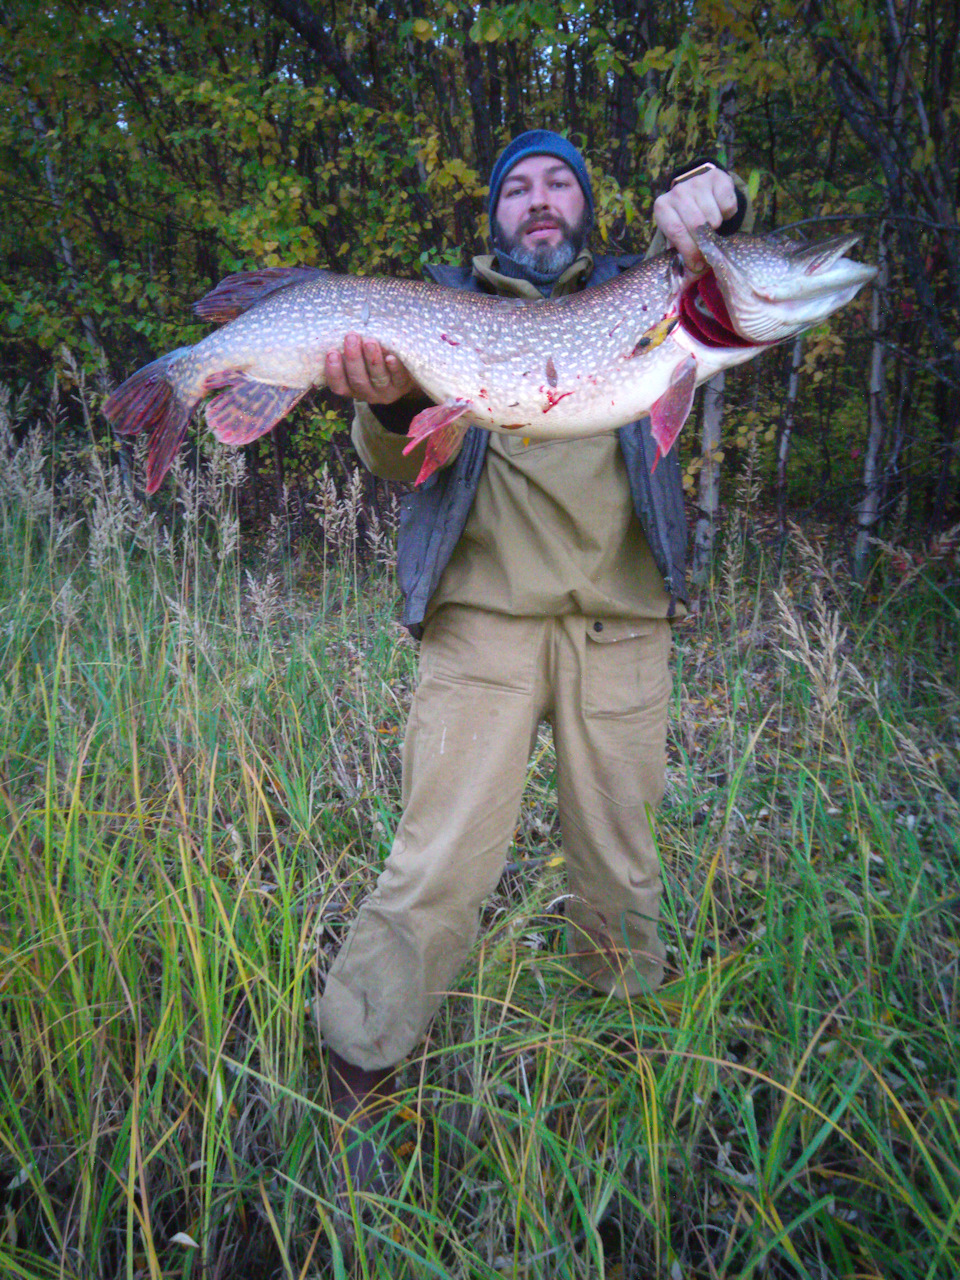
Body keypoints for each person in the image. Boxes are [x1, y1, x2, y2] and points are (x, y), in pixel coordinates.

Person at [318, 131, 750, 1193]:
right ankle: (358, 1075)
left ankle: (621, 1075)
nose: (540, 198)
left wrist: (721, 197)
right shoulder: (435, 309)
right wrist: (385, 399)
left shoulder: (654, 291)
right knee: (436, 867)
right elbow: (395, 462)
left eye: (560, 181)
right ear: (497, 213)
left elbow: (727, 245)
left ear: (589, 207)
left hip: (621, 627)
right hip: (483, 626)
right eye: (519, 185)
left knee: (622, 871)